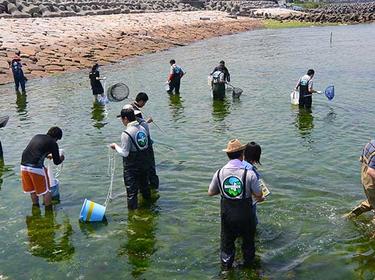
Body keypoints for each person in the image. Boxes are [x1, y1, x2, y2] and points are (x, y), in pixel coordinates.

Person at [208, 139, 264, 269]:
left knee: (227, 243)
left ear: (228, 155)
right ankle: (249, 269)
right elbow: (259, 195)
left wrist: (225, 190)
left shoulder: (219, 172)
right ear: (242, 154)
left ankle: (226, 270)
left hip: (227, 214)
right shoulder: (249, 174)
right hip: (245, 214)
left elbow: (211, 192)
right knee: (248, 243)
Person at [110, 108, 151, 210]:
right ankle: (150, 207)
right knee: (145, 188)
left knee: (132, 193)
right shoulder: (143, 128)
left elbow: (125, 153)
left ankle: (132, 215)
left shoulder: (126, 133)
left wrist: (115, 146)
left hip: (132, 167)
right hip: (145, 163)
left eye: (122, 119)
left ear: (125, 119)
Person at [21, 127, 65, 207]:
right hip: (36, 168)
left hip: (23, 166)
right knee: (46, 191)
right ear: (56, 138)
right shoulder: (53, 143)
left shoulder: (37, 136)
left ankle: (35, 208)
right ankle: (49, 213)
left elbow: (35, 151)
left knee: (33, 191)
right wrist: (62, 158)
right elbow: (57, 162)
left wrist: (46, 155)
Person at [126, 92, 159, 189]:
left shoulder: (130, 108)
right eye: (144, 103)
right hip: (144, 141)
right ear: (140, 101)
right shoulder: (136, 111)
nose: (144, 105)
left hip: (137, 143)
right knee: (150, 165)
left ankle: (145, 185)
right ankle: (153, 184)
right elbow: (139, 126)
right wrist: (147, 121)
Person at [347, 140, 375, 217]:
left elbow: (361, 159)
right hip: (371, 180)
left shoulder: (371, 143)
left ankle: (350, 216)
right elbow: (371, 171)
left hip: (365, 174)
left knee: (371, 202)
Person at [243, 142, 262, 225]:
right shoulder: (252, 171)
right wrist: (261, 197)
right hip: (248, 206)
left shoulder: (236, 165)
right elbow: (258, 194)